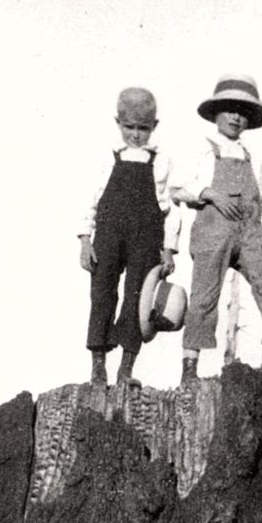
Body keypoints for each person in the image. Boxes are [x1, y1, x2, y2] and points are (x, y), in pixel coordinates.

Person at [171, 73, 262, 384]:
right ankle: (189, 369)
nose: (236, 117)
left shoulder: (254, 156)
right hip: (213, 231)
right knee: (204, 297)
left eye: (243, 112)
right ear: (216, 113)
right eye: (230, 109)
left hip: (248, 233)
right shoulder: (203, 148)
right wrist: (209, 193)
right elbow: (177, 187)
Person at [78, 87, 180, 386]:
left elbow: (171, 208)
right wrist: (85, 239)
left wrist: (168, 249)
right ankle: (98, 365)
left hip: (146, 235)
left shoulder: (161, 161)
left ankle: (126, 367)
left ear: (154, 126)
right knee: (102, 291)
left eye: (143, 128)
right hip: (109, 233)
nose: (136, 135)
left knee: (138, 297)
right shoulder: (108, 157)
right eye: (129, 127)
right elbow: (90, 199)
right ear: (118, 123)